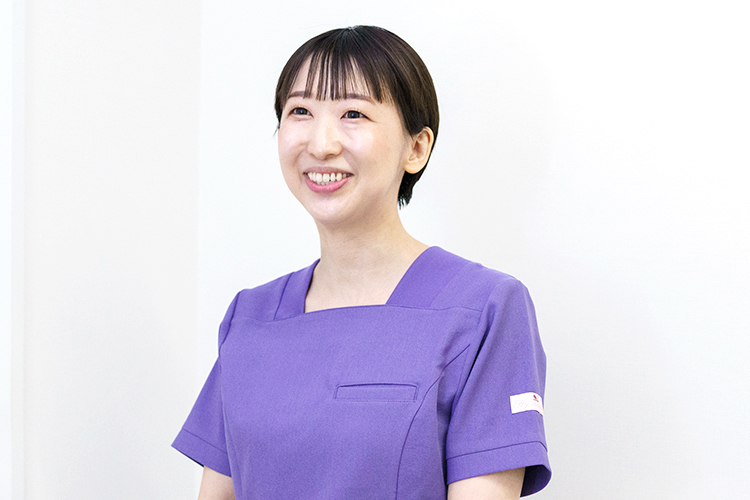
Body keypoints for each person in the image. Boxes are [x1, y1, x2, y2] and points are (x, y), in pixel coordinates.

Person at [173, 25, 551, 500]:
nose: (321, 143)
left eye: (353, 113)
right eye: (300, 111)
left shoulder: (485, 309)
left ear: (416, 148)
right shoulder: (249, 318)